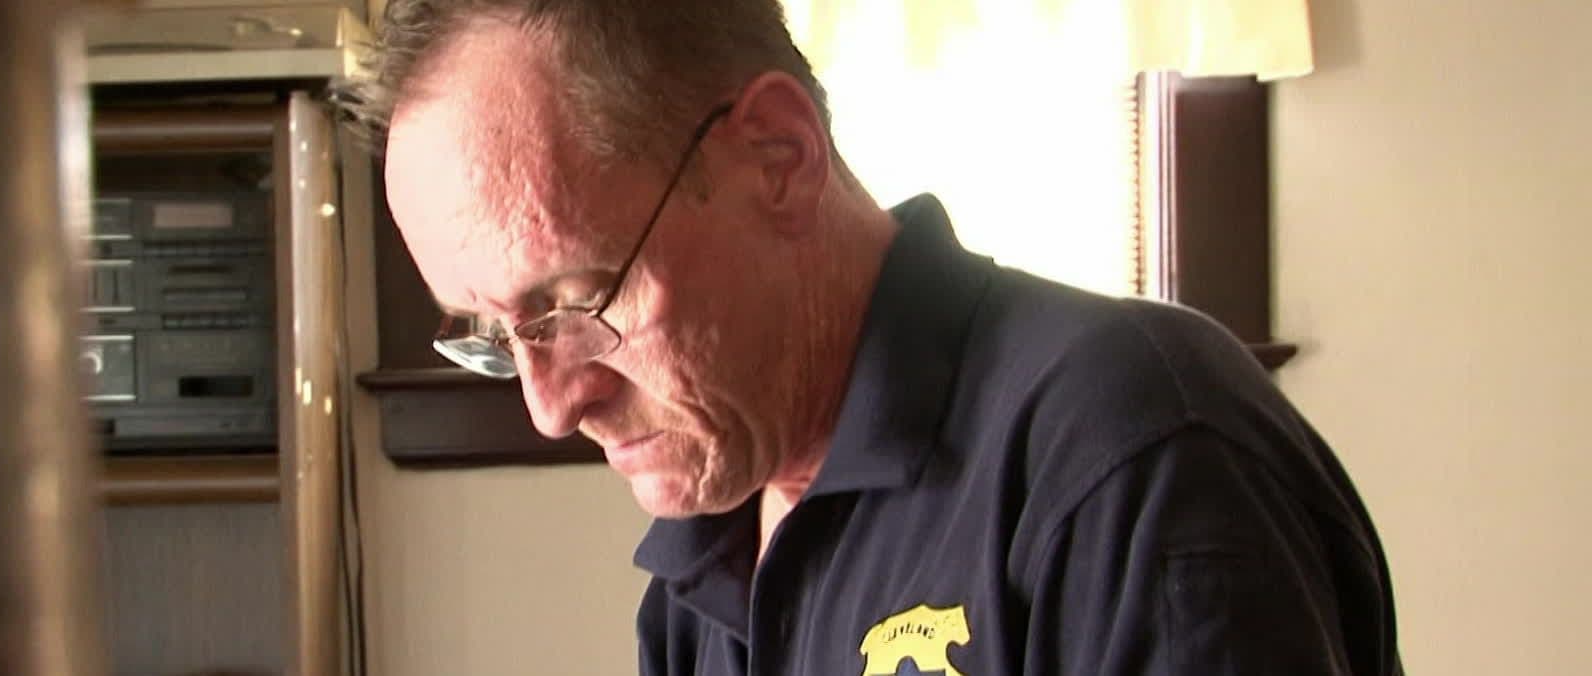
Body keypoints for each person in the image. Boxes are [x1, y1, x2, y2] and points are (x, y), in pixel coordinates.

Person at [339, 2, 1402, 674]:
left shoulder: (1128, 449)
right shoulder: (703, 565)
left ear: (779, 157)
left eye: (578, 301)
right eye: (493, 334)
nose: (550, 403)